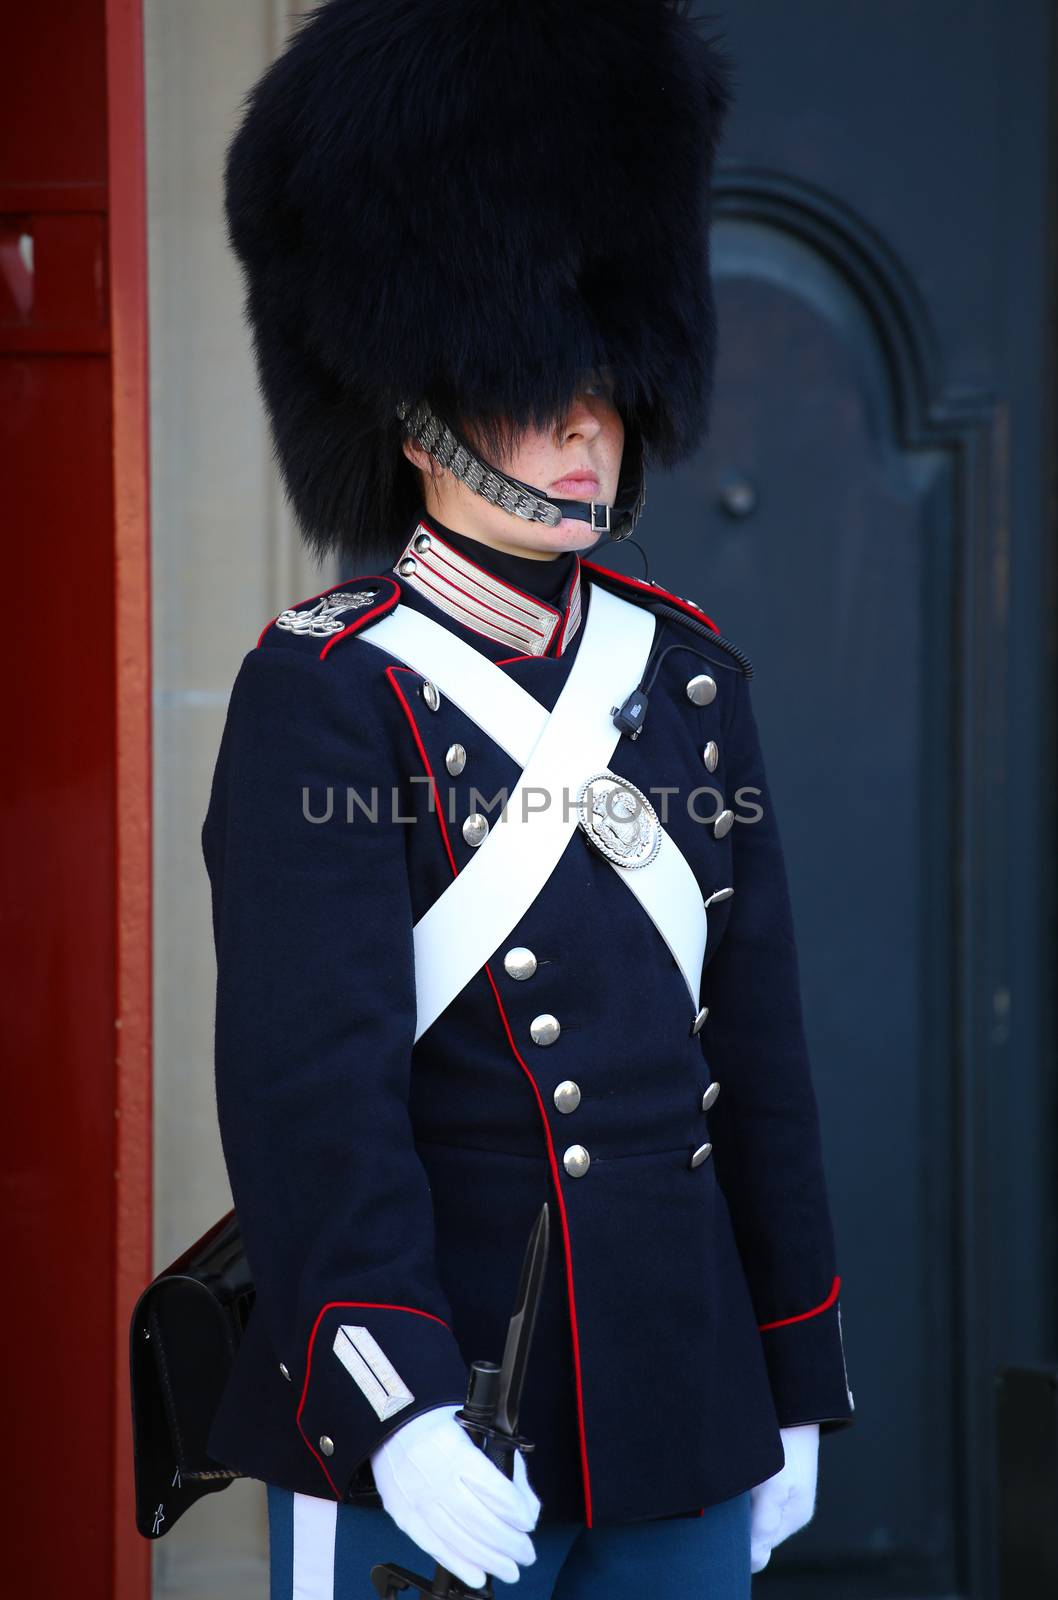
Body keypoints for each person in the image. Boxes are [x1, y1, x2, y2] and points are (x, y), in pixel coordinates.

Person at [201, 2, 856, 1595]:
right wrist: (396, 1404)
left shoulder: (687, 673)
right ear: (411, 395)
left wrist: (796, 1378)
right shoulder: (328, 688)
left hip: (682, 1402)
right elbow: (312, 1100)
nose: (582, 422)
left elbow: (752, 1059)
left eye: (606, 382)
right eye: (527, 378)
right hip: (440, 1410)